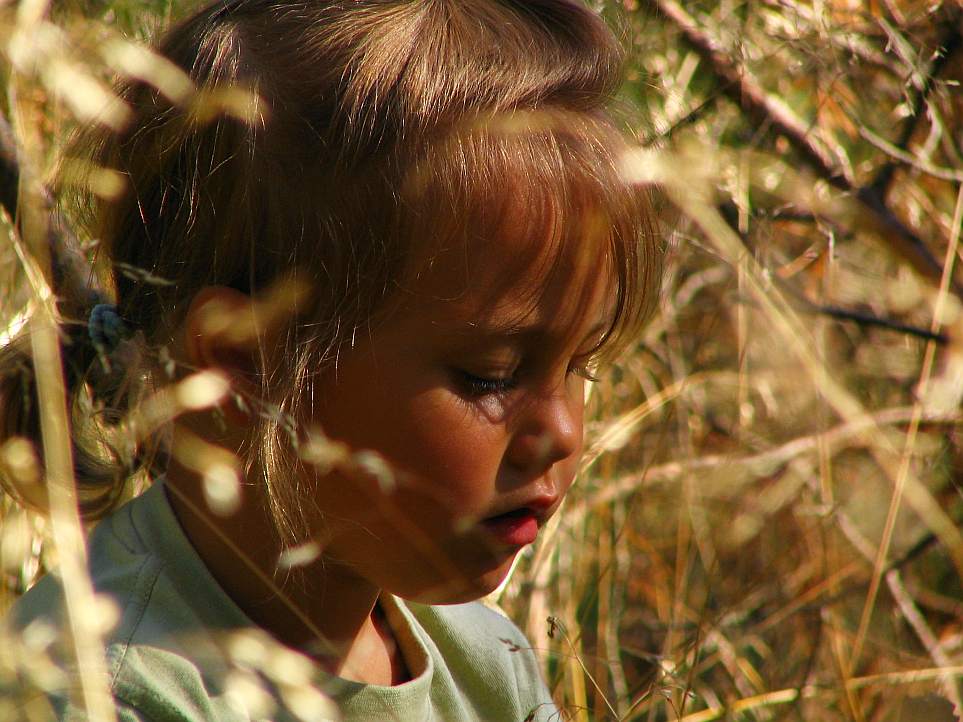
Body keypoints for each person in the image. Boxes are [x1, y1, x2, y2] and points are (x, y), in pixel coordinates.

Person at [1, 0, 662, 719]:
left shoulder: (481, 661)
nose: (563, 432)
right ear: (240, 368)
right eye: (491, 375)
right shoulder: (102, 692)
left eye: (581, 365)